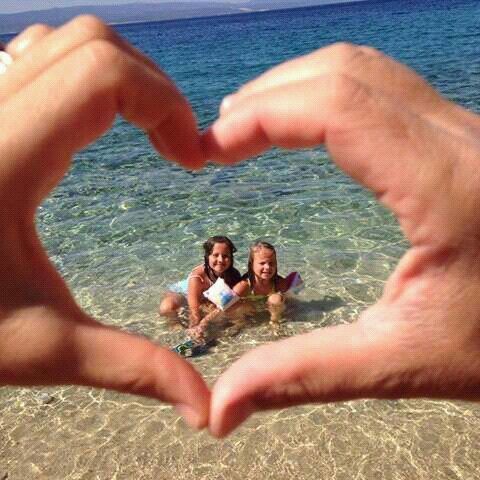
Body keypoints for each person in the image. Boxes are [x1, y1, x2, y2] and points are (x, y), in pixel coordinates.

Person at [2, 18, 480, 440]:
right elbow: (216, 297)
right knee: (181, 305)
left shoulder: (259, 280)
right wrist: (200, 326)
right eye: (238, 260)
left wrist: (284, 300)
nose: (240, 264)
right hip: (206, 302)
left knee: (256, 305)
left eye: (254, 260)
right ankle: (189, 334)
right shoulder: (228, 280)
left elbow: (284, 287)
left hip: (235, 302)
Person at [159, 236, 241, 327]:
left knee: (226, 311)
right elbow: (194, 309)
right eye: (215, 255)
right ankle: (176, 327)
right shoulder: (197, 277)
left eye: (225, 256)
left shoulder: (234, 275)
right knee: (167, 307)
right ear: (207, 256)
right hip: (181, 293)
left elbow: (232, 301)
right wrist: (195, 327)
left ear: (231, 258)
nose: (220, 260)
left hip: (205, 296)